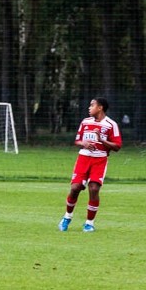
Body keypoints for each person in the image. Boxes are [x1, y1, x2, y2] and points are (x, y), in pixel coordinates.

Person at [58, 98, 122, 232]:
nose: (89, 108)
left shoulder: (111, 124)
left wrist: (102, 140)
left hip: (99, 160)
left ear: (100, 108)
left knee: (93, 189)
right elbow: (77, 140)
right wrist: (84, 143)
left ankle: (89, 223)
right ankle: (67, 216)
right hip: (83, 159)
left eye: (92, 105)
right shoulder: (85, 122)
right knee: (75, 188)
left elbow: (117, 146)